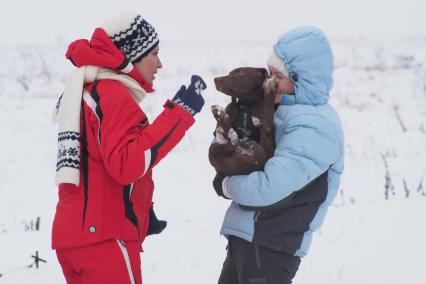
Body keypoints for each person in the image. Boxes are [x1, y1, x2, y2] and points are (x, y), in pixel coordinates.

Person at [52, 11, 206, 283]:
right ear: (131, 56)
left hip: (73, 239)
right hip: (104, 241)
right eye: (153, 54)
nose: (160, 64)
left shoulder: (85, 90)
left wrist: (140, 213)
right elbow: (126, 164)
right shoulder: (112, 94)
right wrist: (179, 115)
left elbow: (96, 165)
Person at [213, 26, 344, 284]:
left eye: (277, 77)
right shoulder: (278, 111)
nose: (269, 84)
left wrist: (227, 185)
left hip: (270, 248)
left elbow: (269, 188)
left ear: (300, 79)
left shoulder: (315, 126)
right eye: (269, 74)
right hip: (250, 238)